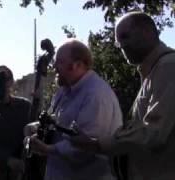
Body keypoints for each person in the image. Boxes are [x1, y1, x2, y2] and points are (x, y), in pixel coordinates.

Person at [70, 12, 175, 180]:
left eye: (125, 36)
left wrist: (97, 144)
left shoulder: (168, 67)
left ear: (148, 32)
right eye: (118, 41)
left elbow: (154, 132)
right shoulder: (153, 72)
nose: (121, 45)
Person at [24, 39, 123, 180]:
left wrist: (47, 149)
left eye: (60, 62)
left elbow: (87, 146)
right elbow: (56, 122)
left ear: (78, 65)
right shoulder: (64, 91)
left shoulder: (96, 94)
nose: (54, 66)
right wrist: (35, 127)